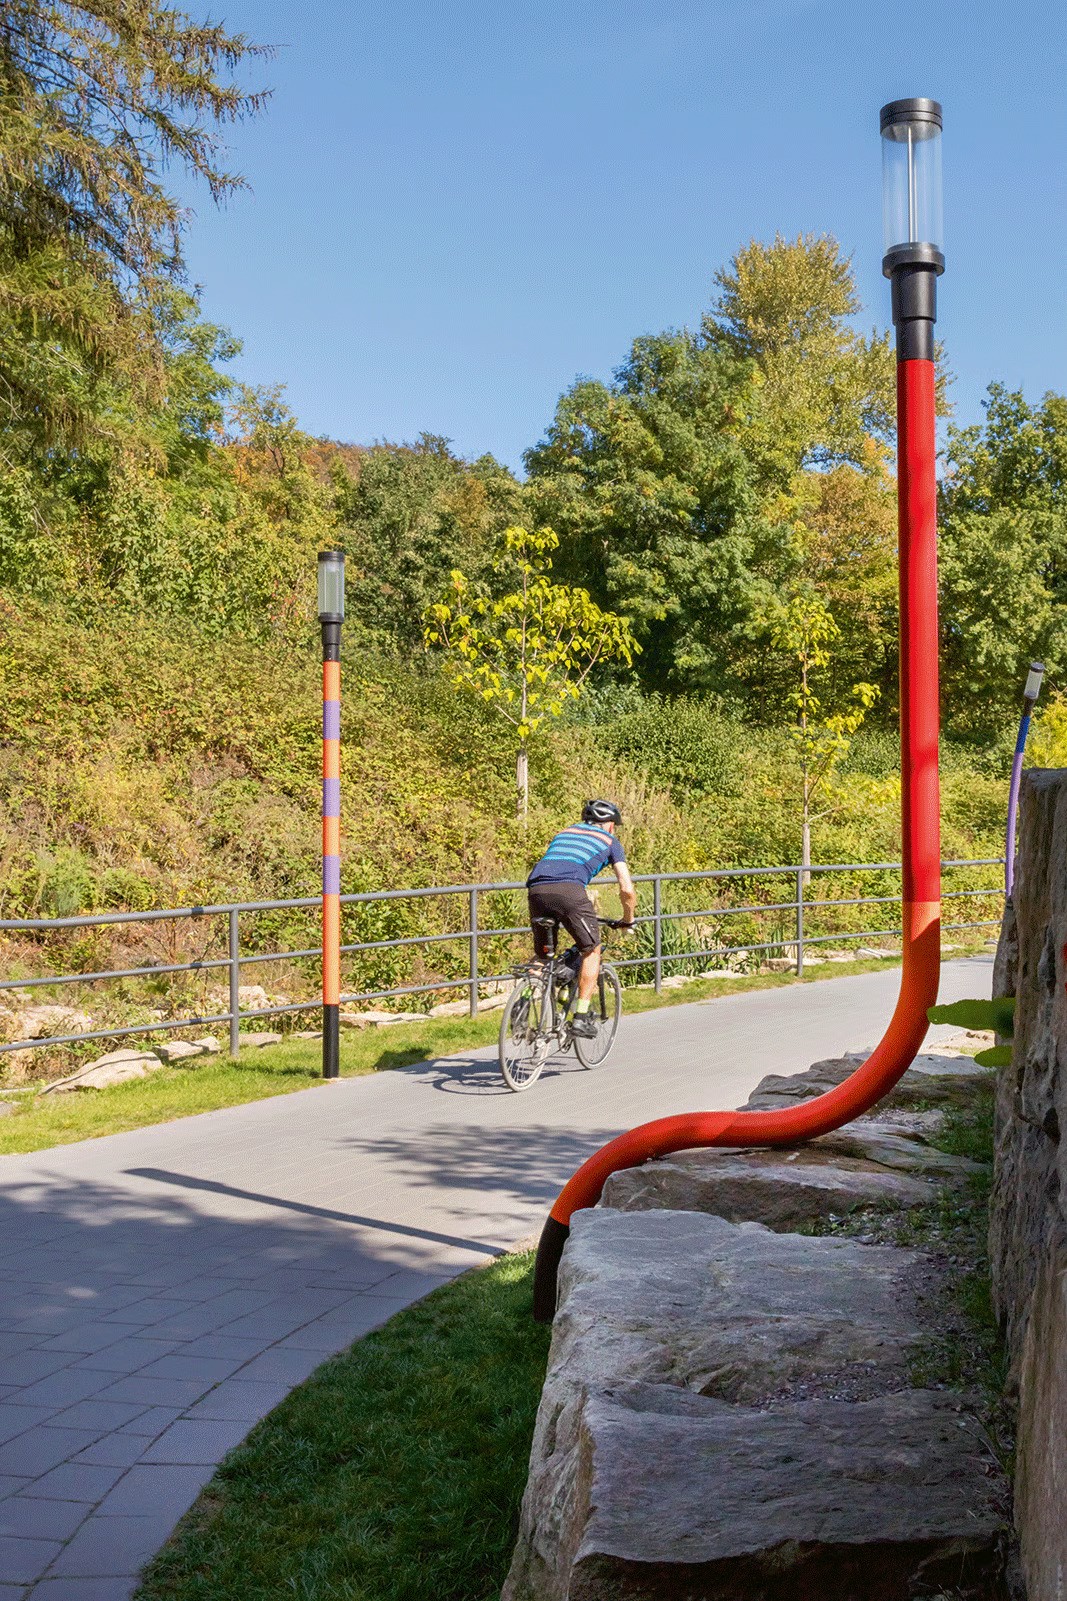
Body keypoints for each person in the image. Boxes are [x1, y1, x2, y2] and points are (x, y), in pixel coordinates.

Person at [526, 799, 637, 1037]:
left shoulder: (565, 833)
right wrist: (628, 919)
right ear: (609, 824)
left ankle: (522, 1004)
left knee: (543, 954)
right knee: (591, 950)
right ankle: (581, 1016)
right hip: (569, 890)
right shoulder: (610, 842)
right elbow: (627, 889)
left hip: (536, 889)